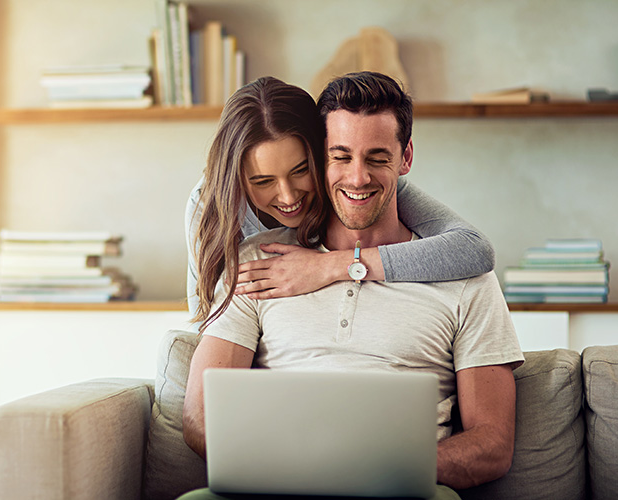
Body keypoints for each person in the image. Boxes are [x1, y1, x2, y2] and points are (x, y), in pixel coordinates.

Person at [180, 72, 525, 499]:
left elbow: (492, 445)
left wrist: (383, 467)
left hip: (399, 487)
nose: (358, 178)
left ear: (405, 158)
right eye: (340, 156)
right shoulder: (256, 260)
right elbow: (199, 415)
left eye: (378, 158)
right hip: (275, 484)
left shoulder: (467, 277)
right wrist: (289, 468)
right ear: (321, 156)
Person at [185, 76, 495, 332]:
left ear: (320, 156)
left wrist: (329, 265)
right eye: (263, 181)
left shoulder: (366, 185)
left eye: (301, 170)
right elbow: (208, 321)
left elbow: (473, 249)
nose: (289, 197)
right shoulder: (210, 206)